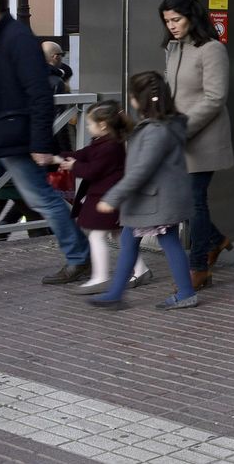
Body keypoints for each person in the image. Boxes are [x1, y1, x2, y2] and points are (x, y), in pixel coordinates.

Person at [0, 0, 92, 283]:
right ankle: (80, 256)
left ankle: (80, 257)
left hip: (15, 139)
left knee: (43, 200)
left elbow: (39, 94)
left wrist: (40, 142)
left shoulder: (17, 38)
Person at [87, 71, 200, 311]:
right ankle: (116, 294)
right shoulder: (163, 125)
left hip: (155, 200)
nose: (130, 99)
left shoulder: (156, 131)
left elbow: (141, 170)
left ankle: (185, 293)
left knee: (166, 241)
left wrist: (113, 198)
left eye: (133, 95)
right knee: (132, 240)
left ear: (142, 99)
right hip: (153, 198)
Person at [160, 0, 234, 290]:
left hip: (204, 138)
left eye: (176, 19)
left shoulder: (211, 49)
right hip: (178, 137)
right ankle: (217, 240)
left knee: (195, 202)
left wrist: (182, 128)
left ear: (192, 16)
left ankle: (199, 266)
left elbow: (215, 98)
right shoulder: (173, 48)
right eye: (167, 21)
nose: (172, 26)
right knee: (188, 202)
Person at [60, 101, 153, 295]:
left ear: (102, 125)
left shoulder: (109, 146)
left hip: (107, 197)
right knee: (119, 235)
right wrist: (59, 157)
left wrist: (72, 166)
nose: (87, 127)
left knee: (97, 235)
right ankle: (141, 270)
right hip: (109, 196)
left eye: (89, 123)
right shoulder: (107, 142)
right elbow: (83, 155)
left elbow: (93, 170)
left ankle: (101, 277)